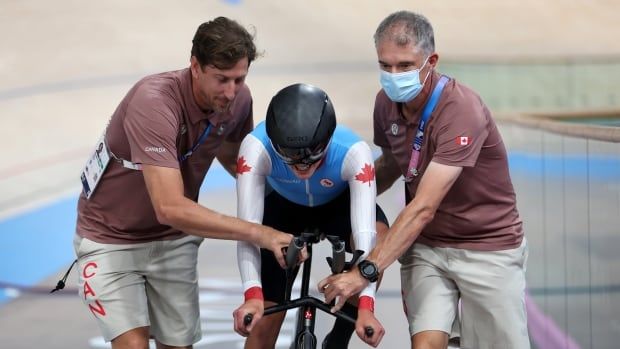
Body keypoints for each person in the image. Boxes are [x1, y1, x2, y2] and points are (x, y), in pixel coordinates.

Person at [72, 17, 293, 349]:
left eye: (239, 79)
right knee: (132, 345)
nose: (231, 91)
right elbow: (169, 207)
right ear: (195, 66)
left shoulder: (238, 101)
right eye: (221, 79)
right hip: (111, 240)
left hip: (172, 243)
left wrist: (300, 192)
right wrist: (261, 233)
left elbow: (238, 163)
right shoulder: (154, 102)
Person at [318, 10, 530, 349]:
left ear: (431, 60)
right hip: (426, 247)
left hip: (487, 247)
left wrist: (364, 273)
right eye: (385, 65)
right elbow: (392, 163)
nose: (392, 75)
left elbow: (424, 207)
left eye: (404, 66)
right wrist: (337, 198)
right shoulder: (385, 103)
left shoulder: (461, 109)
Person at [231, 83, 388, 348]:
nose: (302, 166)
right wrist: (252, 293)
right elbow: (248, 229)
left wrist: (366, 305)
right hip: (282, 206)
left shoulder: (354, 152)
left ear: (328, 139)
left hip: (337, 203)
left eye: (312, 156)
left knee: (381, 237)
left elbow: (366, 238)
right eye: (290, 158)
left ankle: (338, 338)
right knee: (261, 326)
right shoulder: (255, 148)